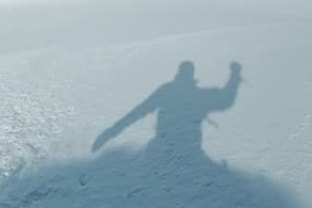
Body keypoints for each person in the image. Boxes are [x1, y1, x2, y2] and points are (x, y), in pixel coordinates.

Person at [92, 61, 242, 159]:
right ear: (192, 76)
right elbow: (225, 100)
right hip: (189, 150)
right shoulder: (199, 95)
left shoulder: (166, 91)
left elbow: (138, 112)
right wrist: (234, 76)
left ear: (178, 74)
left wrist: (111, 131)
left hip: (166, 147)